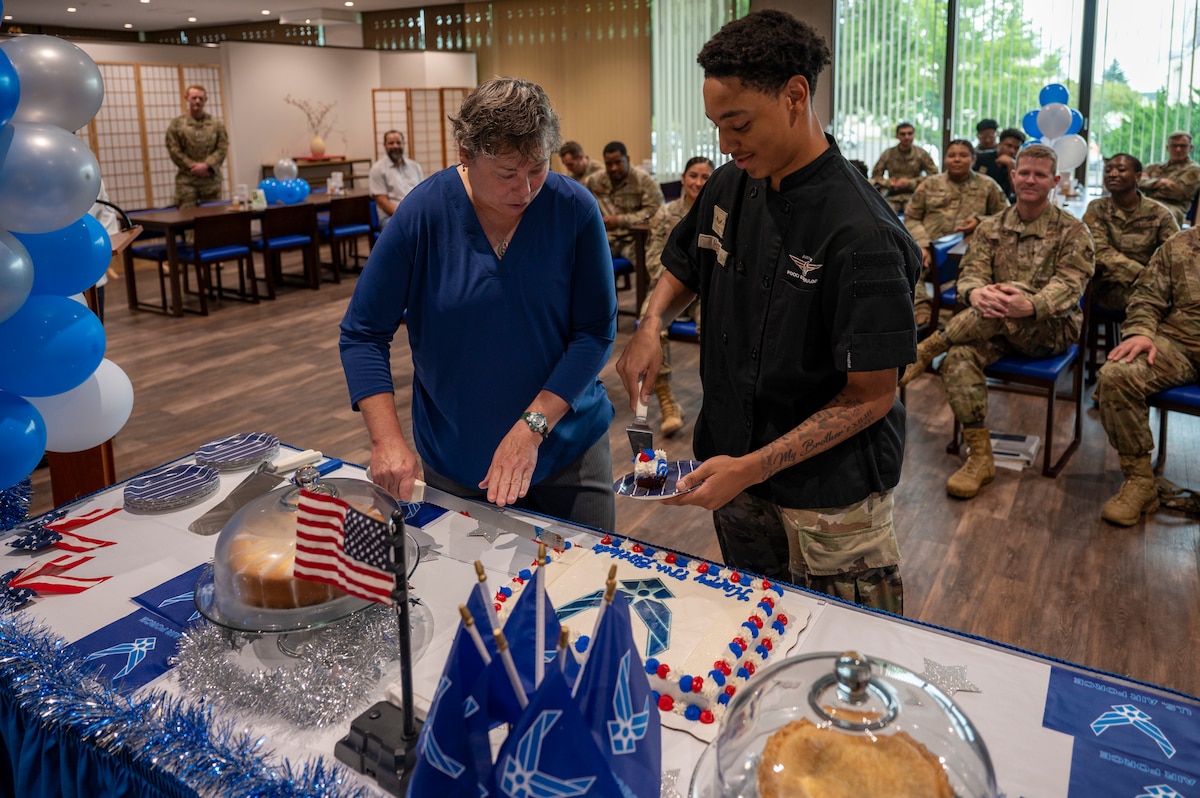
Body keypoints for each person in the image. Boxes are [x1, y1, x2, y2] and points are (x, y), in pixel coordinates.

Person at [616, 10, 921, 614]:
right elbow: (686, 259)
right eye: (717, 125)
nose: (727, 144)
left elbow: (871, 395)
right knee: (754, 628)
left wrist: (753, 467)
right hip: (730, 466)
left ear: (795, 95)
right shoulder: (732, 184)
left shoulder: (862, 233)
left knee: (842, 654)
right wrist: (651, 324)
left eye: (739, 123)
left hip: (827, 500)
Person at [339, 77, 618, 532]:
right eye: (508, 174)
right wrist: (386, 440)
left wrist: (531, 428)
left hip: (569, 451)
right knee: (473, 596)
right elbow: (363, 333)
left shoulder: (573, 210)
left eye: (537, 168)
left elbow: (594, 333)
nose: (526, 189)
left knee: (583, 594)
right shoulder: (424, 215)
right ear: (465, 156)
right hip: (459, 460)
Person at [900, 144, 1095, 499]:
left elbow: (1070, 285)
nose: (1030, 180)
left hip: (1050, 328)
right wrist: (975, 294)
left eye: (1039, 175)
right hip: (993, 324)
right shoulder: (992, 227)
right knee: (959, 359)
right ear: (1013, 176)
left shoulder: (1073, 231)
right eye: (1024, 173)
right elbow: (971, 275)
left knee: (1010, 293)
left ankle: (929, 347)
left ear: (1054, 181)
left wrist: (1030, 304)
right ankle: (980, 456)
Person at [1095, 225, 1200, 526]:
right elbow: (1146, 295)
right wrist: (1141, 331)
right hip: (1178, 343)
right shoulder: (1180, 244)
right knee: (1116, 375)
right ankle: (1141, 482)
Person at [641, 156, 713, 437]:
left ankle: (715, 402)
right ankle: (668, 404)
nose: (698, 182)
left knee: (718, 328)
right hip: (669, 287)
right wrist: (678, 286)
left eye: (705, 177)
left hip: (707, 291)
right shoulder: (665, 213)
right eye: (693, 175)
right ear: (683, 178)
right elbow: (652, 259)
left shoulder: (720, 213)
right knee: (650, 326)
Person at [904, 139, 1008, 327]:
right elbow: (911, 216)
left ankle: (949, 319)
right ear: (945, 160)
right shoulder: (930, 184)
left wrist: (979, 221)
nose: (957, 160)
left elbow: (1005, 215)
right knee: (907, 270)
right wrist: (922, 244)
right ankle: (922, 311)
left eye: (963, 155)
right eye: (952, 156)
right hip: (929, 246)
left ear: (973, 159)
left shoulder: (988, 186)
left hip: (967, 250)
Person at [1083, 153, 1179, 314]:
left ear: (1137, 177)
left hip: (1155, 286)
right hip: (1109, 287)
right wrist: (1140, 273)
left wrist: (1157, 280)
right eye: (1108, 171)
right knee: (1150, 307)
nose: (1112, 174)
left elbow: (1174, 254)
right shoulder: (1097, 208)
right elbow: (1098, 249)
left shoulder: (1159, 213)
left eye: (1121, 170)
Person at [585, 140, 664, 262]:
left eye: (618, 162)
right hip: (607, 238)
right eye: (609, 164)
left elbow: (655, 212)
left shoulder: (643, 181)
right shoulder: (595, 181)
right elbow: (583, 206)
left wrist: (620, 220)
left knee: (651, 263)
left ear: (627, 158)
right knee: (581, 260)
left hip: (634, 239)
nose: (613, 168)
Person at [165, 84, 229, 209]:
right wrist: (192, 165)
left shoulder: (216, 124)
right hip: (187, 182)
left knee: (213, 220)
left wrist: (207, 165)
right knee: (186, 220)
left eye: (201, 98)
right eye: (194, 98)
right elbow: (173, 148)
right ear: (187, 98)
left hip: (211, 180)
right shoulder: (177, 124)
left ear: (206, 100)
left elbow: (222, 147)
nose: (197, 101)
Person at [870, 122, 938, 214]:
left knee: (913, 218)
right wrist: (889, 183)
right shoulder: (888, 153)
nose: (906, 137)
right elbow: (876, 175)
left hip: (914, 195)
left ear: (914, 135)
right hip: (892, 195)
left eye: (910, 134)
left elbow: (934, 175)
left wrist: (911, 182)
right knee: (886, 218)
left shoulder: (921, 154)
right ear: (897, 136)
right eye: (903, 134)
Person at [1138, 131, 1200, 226]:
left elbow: (1179, 193)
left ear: (1190, 148)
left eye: (1183, 146)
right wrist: (1162, 182)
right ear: (1167, 148)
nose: (1178, 149)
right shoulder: (1153, 167)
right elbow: (1135, 183)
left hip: (1173, 208)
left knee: (1154, 214)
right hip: (1146, 203)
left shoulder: (1194, 170)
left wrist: (1148, 185)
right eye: (1174, 146)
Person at [368, 129, 425, 229]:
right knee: (411, 229)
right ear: (385, 145)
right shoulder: (377, 169)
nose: (395, 146)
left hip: (416, 216)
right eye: (391, 143)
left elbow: (423, 194)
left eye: (398, 142)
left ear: (403, 144)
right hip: (391, 218)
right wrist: (407, 216)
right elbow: (382, 202)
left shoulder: (415, 167)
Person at [974, 127, 1026, 203]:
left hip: (1004, 202)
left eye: (1016, 148)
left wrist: (1010, 165)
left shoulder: (1019, 164)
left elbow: (1017, 191)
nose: (1012, 151)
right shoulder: (981, 158)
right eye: (1009, 146)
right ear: (999, 144)